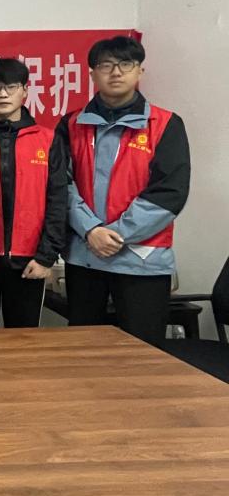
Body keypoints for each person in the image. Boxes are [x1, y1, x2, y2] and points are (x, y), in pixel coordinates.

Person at [56, 35, 190, 348]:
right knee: (83, 349)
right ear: (92, 74)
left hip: (142, 261)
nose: (116, 72)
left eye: (125, 64)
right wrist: (90, 230)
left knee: (142, 353)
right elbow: (61, 183)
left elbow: (170, 192)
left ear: (140, 70)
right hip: (85, 258)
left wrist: (115, 235)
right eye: (106, 65)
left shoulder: (165, 124)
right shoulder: (71, 124)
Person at [0, 58, 67, 330]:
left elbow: (58, 200)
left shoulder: (48, 139)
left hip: (30, 262)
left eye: (10, 87)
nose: (2, 94)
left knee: (24, 340)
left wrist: (46, 257)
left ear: (25, 90)